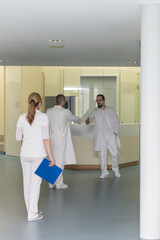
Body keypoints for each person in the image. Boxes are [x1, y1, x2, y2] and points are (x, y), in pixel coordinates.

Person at [16, 92, 55, 221]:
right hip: (38, 155)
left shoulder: (21, 117)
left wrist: (27, 139)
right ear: (40, 103)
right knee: (35, 185)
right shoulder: (43, 117)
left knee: (26, 184)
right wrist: (51, 157)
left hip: (24, 155)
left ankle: (31, 212)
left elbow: (17, 138)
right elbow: (45, 139)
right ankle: (32, 214)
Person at [46, 94, 81, 189]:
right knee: (59, 161)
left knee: (51, 160)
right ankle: (59, 183)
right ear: (63, 101)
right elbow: (76, 119)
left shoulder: (48, 111)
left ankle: (50, 183)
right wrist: (80, 119)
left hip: (50, 139)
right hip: (60, 140)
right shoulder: (65, 112)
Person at [85, 94, 121, 179]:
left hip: (110, 135)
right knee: (102, 155)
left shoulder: (111, 110)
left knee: (115, 153)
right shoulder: (95, 111)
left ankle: (115, 169)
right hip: (100, 137)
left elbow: (116, 122)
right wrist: (87, 120)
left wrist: (115, 133)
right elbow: (88, 121)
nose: (98, 102)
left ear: (104, 100)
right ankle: (104, 172)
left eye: (100, 100)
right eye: (97, 100)